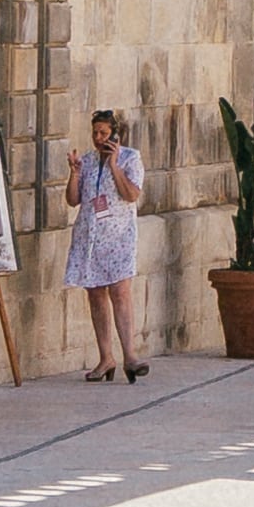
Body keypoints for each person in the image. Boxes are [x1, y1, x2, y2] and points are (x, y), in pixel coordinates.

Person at [65, 106, 148, 381]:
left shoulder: (130, 159)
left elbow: (131, 194)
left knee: (120, 291)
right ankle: (105, 358)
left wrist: (113, 166)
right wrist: (74, 173)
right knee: (96, 294)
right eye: (95, 133)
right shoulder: (88, 161)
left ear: (115, 134)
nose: (99, 138)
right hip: (90, 236)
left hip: (118, 236)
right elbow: (73, 199)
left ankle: (130, 355)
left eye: (104, 133)